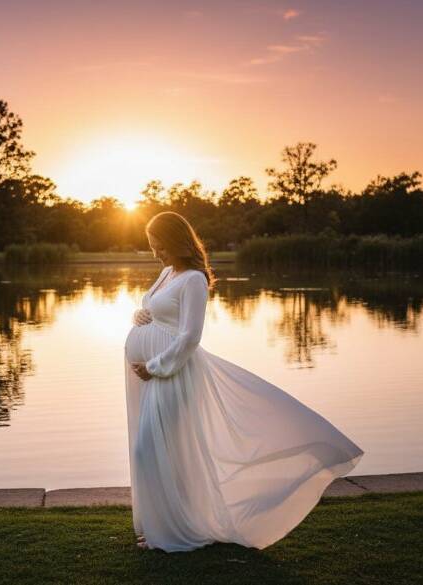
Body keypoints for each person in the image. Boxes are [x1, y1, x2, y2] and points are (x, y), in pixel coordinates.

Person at [124, 211, 364, 552]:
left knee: (150, 448)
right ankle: (163, 527)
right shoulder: (167, 273)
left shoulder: (194, 279)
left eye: (158, 245)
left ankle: (175, 531)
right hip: (154, 375)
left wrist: (157, 365)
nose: (155, 253)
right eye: (151, 246)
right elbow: (152, 307)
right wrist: (139, 314)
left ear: (176, 240)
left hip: (172, 375)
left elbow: (190, 336)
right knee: (161, 452)